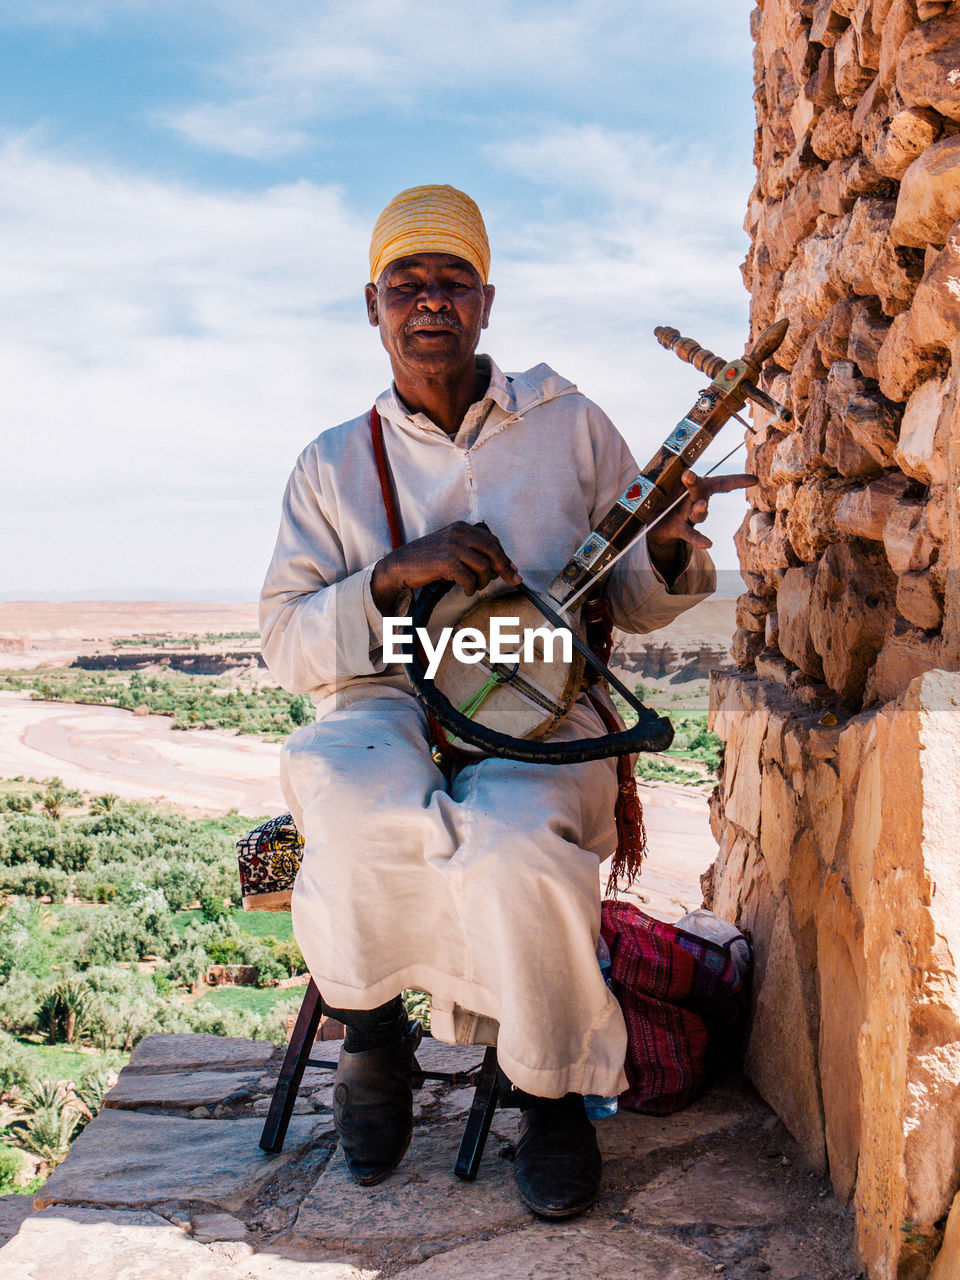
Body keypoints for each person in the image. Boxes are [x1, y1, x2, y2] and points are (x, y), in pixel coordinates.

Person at [260, 184, 749, 1218]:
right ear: (373, 304)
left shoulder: (567, 423)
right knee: (347, 799)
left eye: (451, 282)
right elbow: (285, 641)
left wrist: (666, 550)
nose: (428, 301)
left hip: (542, 708)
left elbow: (633, 593)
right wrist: (392, 574)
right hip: (384, 699)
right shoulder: (333, 463)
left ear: (486, 301)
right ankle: (375, 1037)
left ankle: (547, 1086)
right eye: (407, 283)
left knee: (518, 839)